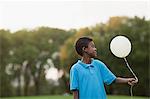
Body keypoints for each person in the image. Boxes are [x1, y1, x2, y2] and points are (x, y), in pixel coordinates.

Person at [70, 37, 138, 99]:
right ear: (84, 49)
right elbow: (75, 92)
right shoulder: (75, 69)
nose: (95, 49)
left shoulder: (98, 64)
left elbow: (113, 79)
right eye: (92, 46)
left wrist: (127, 80)